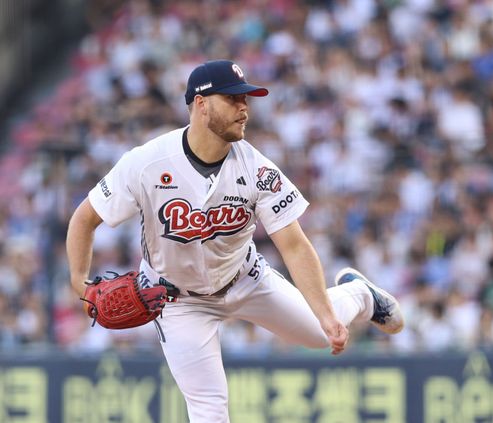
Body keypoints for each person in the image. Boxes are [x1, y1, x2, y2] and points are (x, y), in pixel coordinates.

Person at [66, 59, 404, 422]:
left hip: (246, 279)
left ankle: (360, 295)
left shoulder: (258, 169)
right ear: (201, 104)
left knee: (319, 334)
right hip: (178, 300)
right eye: (232, 98)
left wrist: (325, 315)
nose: (244, 108)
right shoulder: (146, 163)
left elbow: (294, 245)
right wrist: (79, 283)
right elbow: (85, 218)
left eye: (245, 99)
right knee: (208, 409)